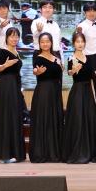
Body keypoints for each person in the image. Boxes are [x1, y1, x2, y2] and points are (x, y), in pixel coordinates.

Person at [63, 32, 96, 164]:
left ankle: (90, 151)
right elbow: (69, 73)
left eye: (82, 41)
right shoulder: (70, 58)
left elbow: (92, 78)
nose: (80, 44)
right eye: (77, 41)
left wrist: (94, 94)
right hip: (77, 91)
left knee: (89, 118)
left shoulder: (89, 58)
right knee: (78, 119)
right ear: (73, 43)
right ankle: (77, 151)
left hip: (88, 91)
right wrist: (74, 70)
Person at [0, 27, 25, 163]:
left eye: (16, 36)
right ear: (6, 38)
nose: (14, 38)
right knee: (5, 118)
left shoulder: (17, 52)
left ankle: (13, 152)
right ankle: (1, 155)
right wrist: (5, 65)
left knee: (13, 118)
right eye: (11, 36)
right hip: (4, 87)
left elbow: (17, 73)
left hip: (14, 88)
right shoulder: (1, 51)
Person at [29, 32, 64, 163]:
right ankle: (41, 152)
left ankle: (54, 152)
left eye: (47, 41)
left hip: (55, 92)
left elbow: (60, 73)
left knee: (54, 120)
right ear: (39, 44)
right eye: (42, 42)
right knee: (44, 119)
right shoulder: (37, 57)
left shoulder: (56, 57)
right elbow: (35, 70)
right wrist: (37, 72)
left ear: (51, 42)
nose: (45, 44)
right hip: (43, 91)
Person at [76, 2, 96, 103]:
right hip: (87, 58)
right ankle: (87, 109)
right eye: (89, 11)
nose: (91, 13)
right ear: (85, 13)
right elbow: (77, 43)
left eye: (94, 10)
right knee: (85, 85)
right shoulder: (81, 26)